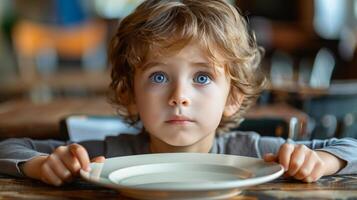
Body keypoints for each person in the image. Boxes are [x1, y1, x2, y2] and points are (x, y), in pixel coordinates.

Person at [0, 0, 357, 187]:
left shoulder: (253, 153)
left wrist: (322, 161)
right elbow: (7, 149)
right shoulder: (109, 156)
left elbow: (351, 149)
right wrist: (41, 164)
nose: (179, 96)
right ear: (129, 94)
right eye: (158, 78)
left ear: (232, 96)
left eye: (202, 78)